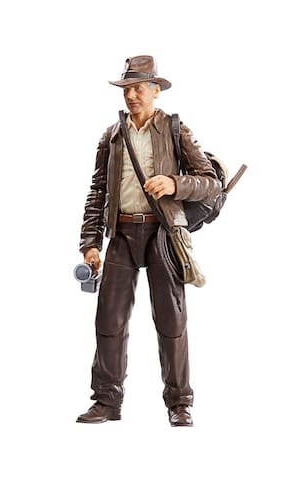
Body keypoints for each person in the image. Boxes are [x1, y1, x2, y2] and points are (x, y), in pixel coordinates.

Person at [77, 55, 221, 426]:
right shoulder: (112, 135)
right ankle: (106, 401)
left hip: (162, 234)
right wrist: (91, 242)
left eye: (139, 88)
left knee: (172, 322)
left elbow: (210, 182)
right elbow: (97, 191)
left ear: (155, 90)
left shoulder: (175, 129)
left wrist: (175, 183)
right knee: (109, 320)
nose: (132, 95)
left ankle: (179, 402)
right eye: (127, 88)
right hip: (122, 233)